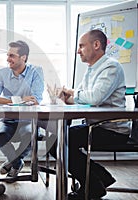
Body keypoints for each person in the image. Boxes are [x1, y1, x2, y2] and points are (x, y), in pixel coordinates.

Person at [56, 29, 130, 199]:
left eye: (81, 46)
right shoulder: (92, 69)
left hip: (112, 130)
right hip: (96, 126)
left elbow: (94, 97)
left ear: (96, 45)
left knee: (60, 143)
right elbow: (84, 97)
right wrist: (67, 97)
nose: (78, 50)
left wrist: (72, 92)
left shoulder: (111, 66)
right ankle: (99, 178)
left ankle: (94, 184)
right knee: (60, 141)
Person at [0, 40, 44, 178]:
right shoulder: (2, 73)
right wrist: (19, 100)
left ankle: (11, 162)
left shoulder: (36, 72)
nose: (8, 59)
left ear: (23, 57)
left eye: (12, 55)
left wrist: (11, 101)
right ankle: (17, 163)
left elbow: (35, 100)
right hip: (7, 120)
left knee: (31, 135)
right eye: (8, 55)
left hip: (28, 121)